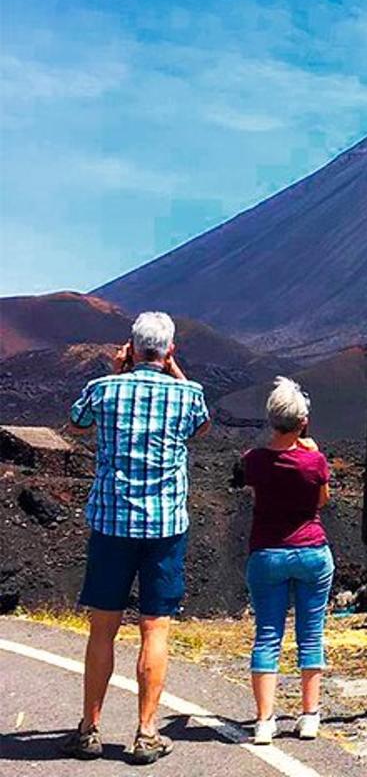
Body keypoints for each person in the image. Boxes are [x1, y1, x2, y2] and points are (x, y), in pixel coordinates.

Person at [63, 311, 210, 764]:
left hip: (111, 525)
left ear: (129, 347)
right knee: (155, 627)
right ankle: (146, 733)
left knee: (102, 629)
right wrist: (174, 369)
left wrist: (117, 370)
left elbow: (76, 421)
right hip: (165, 528)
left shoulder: (106, 390)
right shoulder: (188, 394)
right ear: (169, 351)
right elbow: (202, 427)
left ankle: (89, 728)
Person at [239, 377, 334, 745]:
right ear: (303, 422)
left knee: (267, 636)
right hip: (311, 551)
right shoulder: (314, 462)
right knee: (311, 635)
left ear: (271, 419)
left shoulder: (254, 461)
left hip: (267, 553)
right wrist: (313, 452)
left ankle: (264, 721)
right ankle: (309, 716)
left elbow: (250, 479)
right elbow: (322, 501)